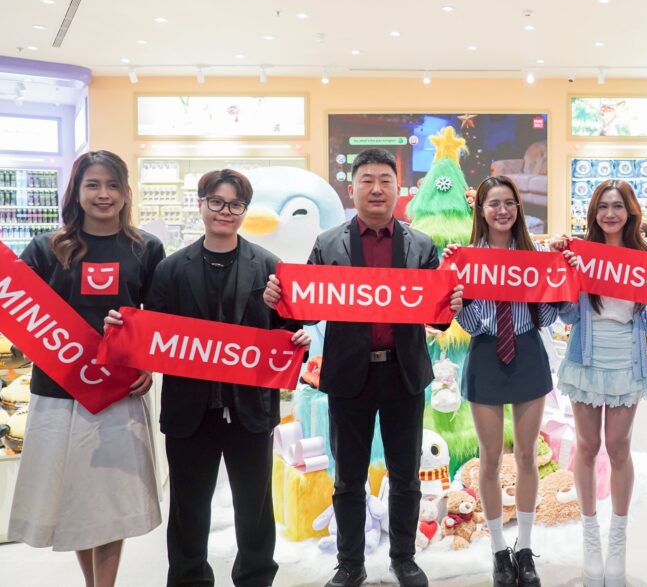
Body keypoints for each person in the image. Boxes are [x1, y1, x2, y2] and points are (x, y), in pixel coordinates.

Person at [263, 148, 462, 587]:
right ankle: (350, 563)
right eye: (367, 180)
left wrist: (450, 304)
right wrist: (281, 300)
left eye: (385, 180)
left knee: (406, 475)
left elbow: (437, 319)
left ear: (397, 189)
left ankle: (404, 558)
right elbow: (305, 310)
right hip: (349, 374)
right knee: (348, 477)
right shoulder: (328, 244)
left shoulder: (421, 245)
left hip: (403, 374)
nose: (376, 189)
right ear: (352, 190)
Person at [105, 169, 311, 587]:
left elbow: (286, 329)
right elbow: (153, 333)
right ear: (200, 204)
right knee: (189, 508)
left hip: (250, 409)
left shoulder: (268, 266)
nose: (225, 212)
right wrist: (124, 332)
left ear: (245, 211)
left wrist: (297, 334)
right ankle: (188, 578)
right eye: (216, 202)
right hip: (189, 410)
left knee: (254, 507)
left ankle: (255, 577)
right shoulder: (171, 268)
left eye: (235, 204)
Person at [7, 151, 164, 587]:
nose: (103, 194)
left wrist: (147, 362)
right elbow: (18, 312)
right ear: (76, 192)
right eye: (92, 184)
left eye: (113, 184)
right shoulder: (45, 248)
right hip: (58, 392)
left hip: (117, 393)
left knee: (108, 501)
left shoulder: (146, 248)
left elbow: (158, 317)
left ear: (126, 192)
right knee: (73, 496)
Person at [549, 180, 647, 587]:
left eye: (618, 206)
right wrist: (564, 273)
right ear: (594, 213)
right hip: (585, 359)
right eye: (603, 206)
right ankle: (590, 539)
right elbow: (567, 317)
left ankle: (618, 542)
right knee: (587, 447)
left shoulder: (645, 258)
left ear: (630, 212)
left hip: (627, 360)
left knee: (619, 448)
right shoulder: (580, 254)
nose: (610, 213)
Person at [443, 176, 567, 587]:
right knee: (491, 457)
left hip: (527, 353)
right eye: (493, 203)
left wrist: (555, 285)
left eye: (509, 202)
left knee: (527, 455)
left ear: (518, 208)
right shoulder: (465, 259)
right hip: (485, 356)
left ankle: (525, 548)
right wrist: (458, 290)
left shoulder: (535, 256)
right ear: (480, 209)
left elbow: (546, 317)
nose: (502, 210)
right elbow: (469, 322)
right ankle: (499, 550)